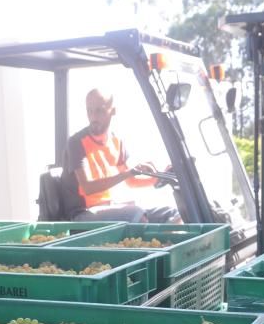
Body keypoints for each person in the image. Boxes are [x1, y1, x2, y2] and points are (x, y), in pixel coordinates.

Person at [60, 88, 180, 223]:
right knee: (136, 214)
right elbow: (88, 188)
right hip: (82, 214)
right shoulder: (76, 142)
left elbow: (131, 181)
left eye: (99, 110)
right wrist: (129, 173)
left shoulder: (117, 141)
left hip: (108, 207)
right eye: (89, 111)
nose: (93, 117)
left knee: (172, 214)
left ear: (113, 111)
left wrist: (157, 178)